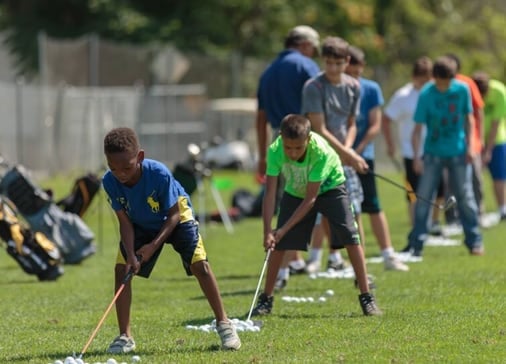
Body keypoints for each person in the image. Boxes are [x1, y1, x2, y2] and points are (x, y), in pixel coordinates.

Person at [101, 127, 241, 354]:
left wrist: (152, 247)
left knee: (200, 265)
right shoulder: (109, 182)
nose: (120, 173)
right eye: (113, 168)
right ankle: (125, 337)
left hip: (175, 215)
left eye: (126, 167)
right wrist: (131, 254)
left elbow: (174, 214)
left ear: (140, 157)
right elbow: (125, 223)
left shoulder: (159, 173)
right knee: (122, 270)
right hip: (140, 222)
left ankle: (224, 324)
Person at [250, 114, 382, 317]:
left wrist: (282, 229)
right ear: (281, 139)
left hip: (330, 188)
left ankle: (366, 296)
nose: (292, 153)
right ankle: (266, 299)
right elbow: (270, 194)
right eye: (288, 148)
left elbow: (311, 199)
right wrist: (268, 231)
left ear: (308, 139)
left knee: (351, 237)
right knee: (279, 243)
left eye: (298, 148)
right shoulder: (275, 151)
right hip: (296, 191)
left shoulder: (319, 151)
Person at [255, 25, 321, 284]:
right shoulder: (305, 66)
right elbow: (320, 104)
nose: (314, 53)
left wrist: (262, 155)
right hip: (304, 140)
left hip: (277, 139)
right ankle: (320, 257)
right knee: (311, 197)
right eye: (314, 48)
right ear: (305, 45)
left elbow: (259, 117)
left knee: (283, 198)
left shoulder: (268, 71)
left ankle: (291, 259)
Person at [404, 56, 483, 256]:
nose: (442, 87)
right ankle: (416, 244)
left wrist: (470, 147)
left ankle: (474, 241)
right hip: (432, 153)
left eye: (445, 83)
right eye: (438, 82)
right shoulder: (426, 93)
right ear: (434, 77)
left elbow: (469, 119)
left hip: (458, 152)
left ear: (452, 78)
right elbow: (417, 128)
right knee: (423, 197)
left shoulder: (462, 90)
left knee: (465, 196)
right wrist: (416, 157)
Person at [301, 36, 366, 273]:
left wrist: (347, 151)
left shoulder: (354, 86)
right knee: (323, 211)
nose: (333, 68)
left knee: (354, 210)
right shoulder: (313, 87)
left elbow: (352, 124)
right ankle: (317, 258)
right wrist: (346, 153)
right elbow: (319, 128)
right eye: (328, 63)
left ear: (347, 61)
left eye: (338, 64)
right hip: (318, 156)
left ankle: (359, 268)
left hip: (343, 155)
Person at [345, 45, 409, 271]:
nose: (355, 78)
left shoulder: (371, 89)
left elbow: (374, 125)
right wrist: (345, 153)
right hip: (339, 159)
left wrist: (357, 150)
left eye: (358, 73)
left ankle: (387, 254)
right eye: (350, 73)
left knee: (372, 205)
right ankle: (335, 259)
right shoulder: (336, 88)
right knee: (343, 210)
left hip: (363, 157)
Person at [382, 56, 443, 226]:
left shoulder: (436, 93)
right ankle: (417, 226)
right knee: (413, 193)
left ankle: (435, 223)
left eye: (428, 80)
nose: (424, 84)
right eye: (421, 80)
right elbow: (386, 119)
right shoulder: (403, 96)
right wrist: (390, 144)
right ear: (413, 77)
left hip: (435, 149)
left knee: (439, 190)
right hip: (410, 151)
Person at [446, 53, 486, 220]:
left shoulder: (467, 83)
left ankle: (479, 212)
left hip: (470, 138)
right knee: (449, 179)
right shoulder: (439, 84)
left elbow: (478, 110)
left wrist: (480, 137)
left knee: (475, 176)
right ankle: (451, 217)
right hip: (448, 140)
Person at [472, 72, 506, 219]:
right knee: (474, 178)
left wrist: (488, 150)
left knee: (499, 176)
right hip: (474, 141)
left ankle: (503, 209)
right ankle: (477, 211)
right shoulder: (469, 92)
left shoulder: (499, 91)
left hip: (497, 140)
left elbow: (495, 124)